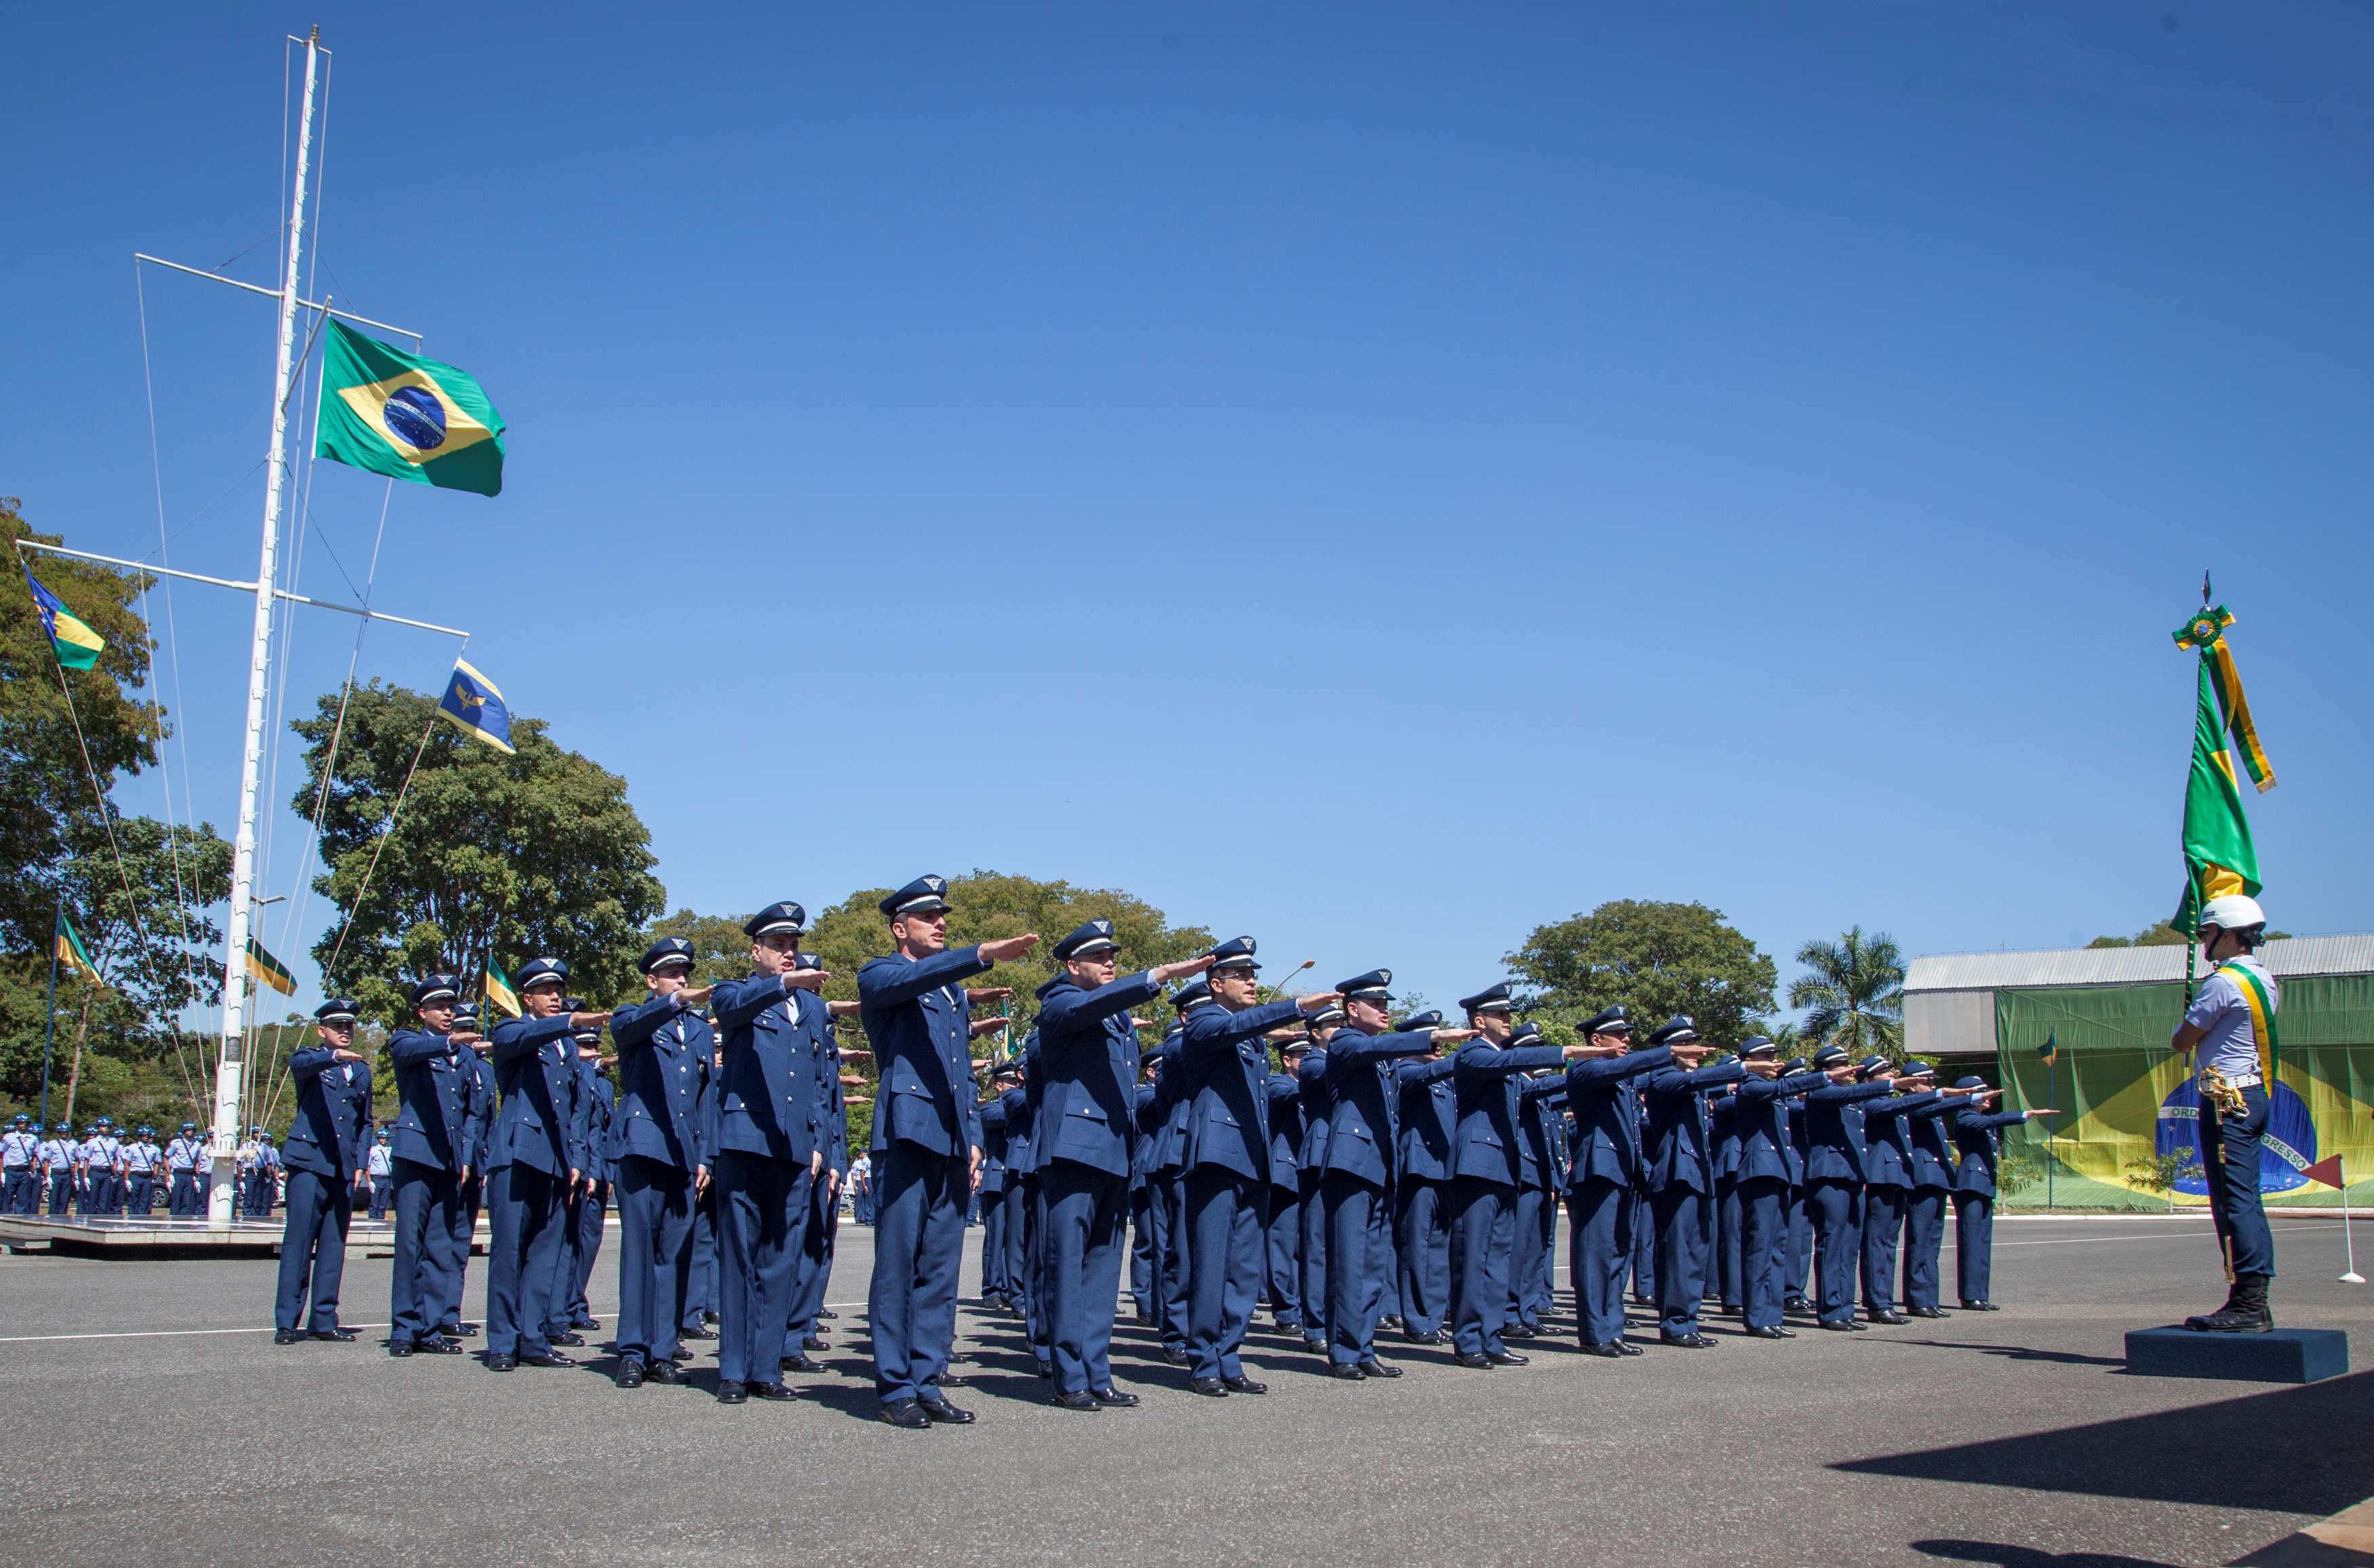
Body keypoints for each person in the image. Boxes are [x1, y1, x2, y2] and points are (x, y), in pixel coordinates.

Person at [859, 875, 1038, 1429]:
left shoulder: (950, 992)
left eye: (944, 918)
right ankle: (895, 1387)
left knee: (940, 1266)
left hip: (953, 1140)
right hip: (908, 1132)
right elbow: (914, 979)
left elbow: (961, 1074)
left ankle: (928, 1378)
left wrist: (975, 1138)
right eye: (928, 917)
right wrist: (981, 954)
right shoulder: (881, 974)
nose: (940, 924)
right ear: (899, 928)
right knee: (898, 1264)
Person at [1032, 919, 1217, 1409]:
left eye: (1113, 955)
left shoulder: (1116, 1021)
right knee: (1068, 1266)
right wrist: (1158, 975)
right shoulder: (1060, 1001)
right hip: (1072, 1148)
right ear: (1073, 966)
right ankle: (1069, 1376)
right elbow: (1088, 1009)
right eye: (1099, 957)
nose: (1110, 962)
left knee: (1101, 1269)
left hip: (1114, 1151)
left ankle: (1097, 1371)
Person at [1176, 937, 1329, 1400]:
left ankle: (1230, 1356)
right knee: (1212, 1264)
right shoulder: (1205, 1020)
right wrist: (1298, 1005)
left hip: (1252, 1159)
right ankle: (1203, 1360)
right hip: (1217, 1157)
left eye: (1253, 975)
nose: (1252, 982)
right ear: (1216, 983)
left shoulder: (1249, 1037)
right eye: (1242, 975)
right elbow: (1236, 1028)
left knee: (1243, 1269)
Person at [1321, 969, 1475, 1380]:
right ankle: (1344, 1352)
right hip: (1351, 1166)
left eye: (1388, 1003)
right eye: (1377, 1003)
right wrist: (1436, 1040)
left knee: (1373, 1266)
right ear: (1352, 1010)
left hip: (1379, 1167)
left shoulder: (1382, 1055)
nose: (1385, 1009)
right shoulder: (1345, 1041)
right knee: (1349, 1264)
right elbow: (1384, 1053)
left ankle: (1364, 1347)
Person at [707, 903, 830, 1407]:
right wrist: (784, 985)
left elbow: (820, 1083)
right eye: (778, 945)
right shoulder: (734, 994)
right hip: (744, 1142)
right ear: (755, 951)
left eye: (793, 945)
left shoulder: (815, 1010)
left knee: (782, 1260)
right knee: (739, 1257)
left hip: (793, 1148)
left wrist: (818, 1140)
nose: (788, 953)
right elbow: (733, 1011)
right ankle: (733, 1370)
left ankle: (766, 1367)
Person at [1445, 984, 1582, 1369]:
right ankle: (1468, 1340)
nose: (1507, 1020)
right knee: (1474, 1256)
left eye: (1508, 1014)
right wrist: (1566, 1053)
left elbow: (1539, 1088)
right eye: (1499, 1014)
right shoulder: (1474, 1053)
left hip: (1504, 1168)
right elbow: (1510, 1068)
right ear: (1478, 1021)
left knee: (1497, 1257)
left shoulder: (1504, 1062)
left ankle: (1491, 1336)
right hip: (1476, 1166)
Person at [484, 957, 610, 1371]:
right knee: (509, 1250)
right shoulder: (511, 1030)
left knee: (545, 1253)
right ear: (527, 998)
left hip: (556, 1159)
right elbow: (524, 1037)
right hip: (518, 1154)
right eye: (546, 991)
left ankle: (533, 1338)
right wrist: (572, 1020)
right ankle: (504, 1341)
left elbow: (575, 1108)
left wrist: (576, 1158)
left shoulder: (566, 1048)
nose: (555, 997)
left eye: (558, 991)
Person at [606, 937, 716, 1388]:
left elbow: (707, 1097)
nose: (683, 979)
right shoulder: (633, 1017)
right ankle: (632, 1350)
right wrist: (672, 1002)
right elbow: (629, 1030)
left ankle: (662, 1349)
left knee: (675, 1254)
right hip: (642, 1145)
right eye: (672, 974)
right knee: (639, 1253)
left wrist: (707, 1154)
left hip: (685, 1155)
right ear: (653, 981)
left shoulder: (702, 1031)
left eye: (685, 972)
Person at [2173, 893, 2282, 1333]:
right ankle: (2252, 1300)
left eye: (2207, 933)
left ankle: (2250, 1303)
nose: (2203, 943)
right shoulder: (2264, 979)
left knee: (2233, 1202)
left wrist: (2185, 1019)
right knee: (2247, 1200)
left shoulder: (2221, 983)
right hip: (2254, 1096)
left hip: (2226, 1102)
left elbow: (2183, 1041)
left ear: (2231, 935)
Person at [1560, 1006, 1670, 1356]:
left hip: (1624, 1171)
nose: (1627, 1040)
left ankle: (1613, 1328)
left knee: (1620, 1252)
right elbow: (1625, 1066)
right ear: (1596, 1039)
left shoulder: (1620, 1079)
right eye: (1619, 1035)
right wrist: (1669, 1051)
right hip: (1599, 1170)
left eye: (1628, 1035)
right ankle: (1594, 1332)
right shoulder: (1585, 1068)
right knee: (1597, 1254)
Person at [1639, 1018, 1747, 1348]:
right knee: (1677, 1251)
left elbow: (1704, 1083)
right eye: (1689, 1046)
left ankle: (1689, 1319)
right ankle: (1673, 1322)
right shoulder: (1663, 1078)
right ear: (1672, 1052)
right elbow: (1699, 1080)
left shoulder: (1691, 1085)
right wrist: (1742, 1068)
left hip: (1698, 1174)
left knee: (1697, 1250)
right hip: (1675, 1175)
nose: (1698, 1052)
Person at [273, 998, 375, 1345]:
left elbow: (365, 1122)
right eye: (337, 1027)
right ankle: (288, 1321)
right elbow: (299, 1065)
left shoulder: (361, 1070)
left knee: (334, 1244)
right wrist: (333, 1057)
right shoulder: (311, 1059)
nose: (345, 1032)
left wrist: (362, 1163)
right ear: (322, 1031)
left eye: (349, 1027)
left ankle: (324, 1319)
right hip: (309, 1163)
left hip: (343, 1167)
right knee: (299, 1242)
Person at [387, 975, 479, 1358]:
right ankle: (404, 1329)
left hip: (448, 1159)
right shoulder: (407, 1041)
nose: (448, 1012)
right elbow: (411, 1050)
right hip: (416, 1154)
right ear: (422, 1012)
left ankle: (429, 1326)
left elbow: (470, 1112)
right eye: (440, 1006)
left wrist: (465, 1156)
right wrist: (449, 1042)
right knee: (411, 1243)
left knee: (440, 1245)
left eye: (451, 1006)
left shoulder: (465, 1058)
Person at [1731, 1038, 1827, 1339]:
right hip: (1760, 1172)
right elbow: (1781, 1088)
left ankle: (1772, 1314)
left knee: (1777, 1246)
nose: (1774, 1061)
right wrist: (1826, 1077)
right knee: (1760, 1246)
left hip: (1779, 1172)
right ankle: (1758, 1317)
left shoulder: (1772, 1093)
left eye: (1775, 1056)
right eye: (1766, 1056)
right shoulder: (1750, 1085)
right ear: (1748, 1060)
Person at [1801, 1045, 1895, 1332]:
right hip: (1829, 1177)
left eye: (1848, 1064)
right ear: (1826, 1070)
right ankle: (1830, 1311)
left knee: (1849, 1245)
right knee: (1832, 1243)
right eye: (1841, 1065)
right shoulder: (1820, 1093)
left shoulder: (1850, 1102)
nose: (1848, 1069)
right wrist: (1893, 1084)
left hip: (1853, 1176)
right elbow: (1850, 1093)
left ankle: (1844, 1307)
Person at [1949, 1078, 2048, 1312]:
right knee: (1971, 1242)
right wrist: (2027, 1114)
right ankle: (1970, 1295)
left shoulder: (1982, 1120)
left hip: (1984, 1184)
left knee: (1982, 1241)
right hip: (1971, 1184)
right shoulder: (1965, 1116)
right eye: (1983, 1093)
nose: (1988, 1096)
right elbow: (1993, 1121)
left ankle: (1980, 1294)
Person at [1392, 1019, 1458, 1348]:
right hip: (1417, 1170)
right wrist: (1470, 1056)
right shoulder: (1404, 1071)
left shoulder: (1445, 1083)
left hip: (1443, 1170)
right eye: (1431, 1041)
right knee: (1415, 1249)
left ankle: (1433, 1318)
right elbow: (1425, 1075)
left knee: (1438, 1250)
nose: (1438, 1048)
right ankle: (1416, 1321)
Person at [1295, 1002, 1343, 1356]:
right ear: (1315, 1032)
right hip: (1319, 1156)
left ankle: (1343, 1323)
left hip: (1349, 1157)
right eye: (1333, 1024)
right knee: (1316, 1247)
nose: (1340, 1028)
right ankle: (1315, 1326)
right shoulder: (1313, 1060)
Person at [1900, 1064, 1960, 1320]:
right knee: (1920, 1239)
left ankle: (1930, 1297)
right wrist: (1963, 1097)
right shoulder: (1911, 1104)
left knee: (1932, 1242)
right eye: (1927, 1081)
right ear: (1912, 1085)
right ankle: (1917, 1298)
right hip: (1923, 1178)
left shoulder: (1929, 1105)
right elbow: (1934, 1106)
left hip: (1937, 1178)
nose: (1932, 1085)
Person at [1262, 1032, 1310, 1336]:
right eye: (1302, 1058)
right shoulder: (1279, 1083)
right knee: (1282, 1245)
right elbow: (1290, 1096)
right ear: (1286, 1060)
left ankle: (1307, 1308)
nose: (1308, 1063)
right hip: (1286, 1173)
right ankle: (1286, 1311)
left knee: (1308, 1248)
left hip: (1310, 1173)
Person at [165, 1122, 203, 1217]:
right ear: (184, 1131)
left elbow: (197, 1159)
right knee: (176, 1199)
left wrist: (196, 1174)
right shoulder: (175, 1143)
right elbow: (166, 1158)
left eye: (193, 1130)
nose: (191, 1131)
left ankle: (186, 1219)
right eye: (189, 1129)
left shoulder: (197, 1144)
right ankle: (174, 1218)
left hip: (190, 1174)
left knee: (188, 1200)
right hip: (178, 1173)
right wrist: (169, 1174)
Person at [121, 1127, 162, 1215]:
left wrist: (155, 1174)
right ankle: (132, 1217)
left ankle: (143, 1217)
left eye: (148, 1135)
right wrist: (127, 1180)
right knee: (133, 1198)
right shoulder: (132, 1148)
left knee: (145, 1199)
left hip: (148, 1176)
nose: (146, 1137)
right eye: (144, 1135)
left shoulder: (155, 1149)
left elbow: (157, 1162)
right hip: (135, 1175)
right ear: (140, 1136)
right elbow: (127, 1164)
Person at [1, 1115, 35, 1215]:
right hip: (11, 1170)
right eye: (21, 1123)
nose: (23, 1125)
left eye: (26, 1123)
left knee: (23, 1196)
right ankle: (6, 1215)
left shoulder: (33, 1139)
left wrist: (33, 1168)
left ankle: (20, 1216)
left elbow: (34, 1155)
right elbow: (1, 1155)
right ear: (17, 1124)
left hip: (24, 1170)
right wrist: (2, 1173)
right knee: (8, 1195)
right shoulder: (8, 1138)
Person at [39, 1124, 75, 1217]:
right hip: (56, 1173)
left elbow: (77, 1160)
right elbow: (46, 1161)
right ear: (59, 1133)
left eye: (67, 1131)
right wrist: (47, 1176)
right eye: (63, 1132)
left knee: (65, 1198)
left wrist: (75, 1175)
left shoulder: (74, 1143)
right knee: (54, 1198)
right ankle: (52, 1216)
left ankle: (62, 1216)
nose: (65, 1133)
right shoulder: (52, 1144)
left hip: (67, 1174)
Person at [366, 1131, 394, 1220]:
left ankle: (381, 1221)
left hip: (387, 1179)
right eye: (382, 1138)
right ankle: (372, 1221)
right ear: (378, 1138)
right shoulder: (373, 1151)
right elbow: (367, 1166)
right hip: (376, 1179)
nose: (385, 1139)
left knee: (384, 1203)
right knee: (374, 1203)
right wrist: (369, 1182)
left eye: (386, 1138)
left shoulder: (391, 1150)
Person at [848, 1152, 874, 1226]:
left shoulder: (869, 1160)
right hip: (859, 1181)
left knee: (866, 1200)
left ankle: (864, 1218)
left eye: (866, 1154)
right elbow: (853, 1175)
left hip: (866, 1181)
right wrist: (854, 1185)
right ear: (860, 1155)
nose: (865, 1156)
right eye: (864, 1154)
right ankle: (858, 1218)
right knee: (859, 1200)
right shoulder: (857, 1163)